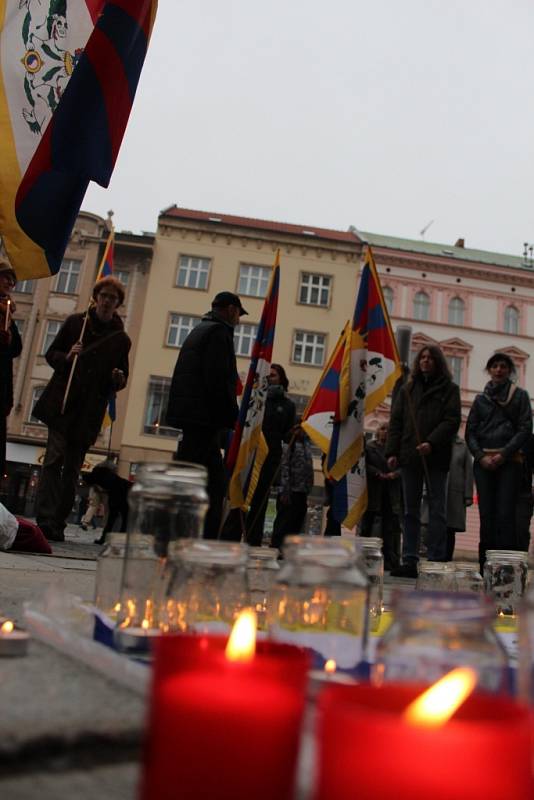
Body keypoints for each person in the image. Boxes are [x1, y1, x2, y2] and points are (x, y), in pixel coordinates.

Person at [33, 277, 130, 542]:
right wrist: (67, 356)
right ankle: (44, 518)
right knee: (53, 461)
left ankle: (58, 521)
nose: (107, 300)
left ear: (118, 303)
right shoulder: (76, 324)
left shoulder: (121, 339)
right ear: (96, 297)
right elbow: (52, 355)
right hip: (63, 406)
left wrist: (117, 377)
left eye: (113, 297)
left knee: (73, 468)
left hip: (88, 413)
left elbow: (122, 379)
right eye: (104, 295)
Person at [166, 291, 246, 538]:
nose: (239, 320)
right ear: (231, 309)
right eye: (239, 314)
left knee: (214, 480)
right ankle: (186, 534)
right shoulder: (218, 333)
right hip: (204, 419)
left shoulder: (201, 329)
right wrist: (233, 416)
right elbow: (219, 380)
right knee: (200, 481)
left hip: (195, 416)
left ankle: (201, 535)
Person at [386, 344, 461, 578]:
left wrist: (431, 442)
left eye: (430, 358)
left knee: (437, 508)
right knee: (410, 510)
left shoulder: (450, 389)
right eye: (423, 357)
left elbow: (451, 420)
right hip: (409, 455)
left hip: (436, 457)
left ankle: (436, 559)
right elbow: (396, 422)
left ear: (438, 362)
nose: (425, 361)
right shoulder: (407, 390)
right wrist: (392, 452)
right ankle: (409, 558)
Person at [465, 352, 532, 573]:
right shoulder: (480, 399)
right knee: (486, 515)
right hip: (483, 462)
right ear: (489, 370)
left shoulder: (520, 396)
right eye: (494, 366)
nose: (499, 370)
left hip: (510, 461)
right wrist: (480, 456)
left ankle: (504, 567)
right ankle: (485, 566)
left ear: (509, 370)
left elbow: (524, 429)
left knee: (505, 515)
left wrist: (503, 454)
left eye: (503, 366)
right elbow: (470, 431)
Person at [245, 363, 296, 546]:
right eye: (267, 376)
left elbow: (287, 434)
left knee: (261, 499)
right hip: (251, 453)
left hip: (270, 457)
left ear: (281, 378)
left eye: (273, 376)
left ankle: (254, 539)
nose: (269, 379)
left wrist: (294, 432)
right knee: (244, 495)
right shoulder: (257, 399)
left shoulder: (288, 405)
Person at [361, 422, 401, 570]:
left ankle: (388, 560)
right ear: (378, 431)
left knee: (388, 528)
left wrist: (394, 474)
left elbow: (402, 467)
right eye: (383, 429)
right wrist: (377, 473)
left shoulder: (395, 450)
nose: (385, 432)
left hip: (390, 492)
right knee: (367, 524)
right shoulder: (370, 447)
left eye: (388, 430)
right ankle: (362, 557)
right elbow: (364, 464)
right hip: (372, 491)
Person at [271, 422, 314, 549]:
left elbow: (309, 467)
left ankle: (290, 548)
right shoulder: (289, 444)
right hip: (290, 490)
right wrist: (285, 490)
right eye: (299, 428)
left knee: (297, 521)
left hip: (302, 490)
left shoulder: (307, 444)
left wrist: (309, 487)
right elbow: (284, 468)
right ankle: (277, 546)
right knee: (284, 522)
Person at [0, 261, 22, 477]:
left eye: (12, 280)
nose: (10, 283)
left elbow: (16, 349)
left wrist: (9, 338)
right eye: (6, 277)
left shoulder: (7, 312)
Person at [82, 463, 132, 544]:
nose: (92, 475)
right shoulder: (115, 486)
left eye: (94, 474)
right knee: (116, 516)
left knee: (119, 517)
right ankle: (106, 538)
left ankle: (111, 539)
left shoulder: (119, 489)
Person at [444, 435, 474, 561]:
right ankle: (434, 555)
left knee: (450, 528)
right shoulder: (437, 442)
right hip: (438, 490)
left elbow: (469, 471)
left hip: (456, 492)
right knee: (435, 524)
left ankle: (446, 557)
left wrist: (468, 495)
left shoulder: (463, 446)